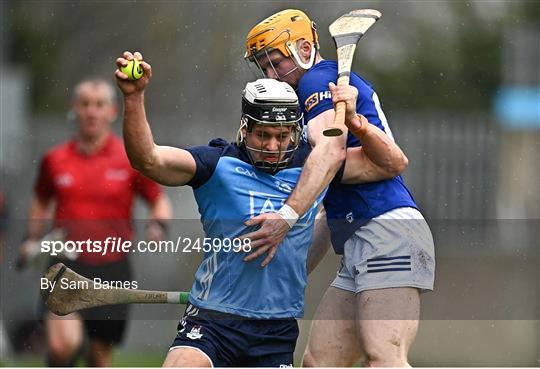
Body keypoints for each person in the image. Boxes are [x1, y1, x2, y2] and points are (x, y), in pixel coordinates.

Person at [115, 50, 408, 367]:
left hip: (275, 331)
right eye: (263, 135)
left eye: (282, 136)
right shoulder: (217, 164)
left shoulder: (314, 167)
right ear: (245, 128)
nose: (272, 146)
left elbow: (390, 163)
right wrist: (134, 97)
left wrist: (357, 123)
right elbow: (148, 159)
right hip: (212, 321)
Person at [243, 9, 436, 367]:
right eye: (264, 67)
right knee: (320, 361)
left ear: (304, 47)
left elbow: (329, 150)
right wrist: (286, 272)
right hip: (357, 239)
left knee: (384, 357)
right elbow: (326, 208)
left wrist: (284, 218)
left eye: (276, 63)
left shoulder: (317, 80)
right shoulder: (312, 90)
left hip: (387, 231)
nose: (272, 76)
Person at [18, 78, 172, 367]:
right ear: (74, 109)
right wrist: (32, 235)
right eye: (85, 104)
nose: (91, 112)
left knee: (100, 355)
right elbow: (40, 200)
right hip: (65, 263)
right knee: (63, 345)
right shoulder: (55, 159)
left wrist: (158, 226)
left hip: (112, 265)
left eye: (99, 105)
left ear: (112, 111)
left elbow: (158, 200)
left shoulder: (129, 158)